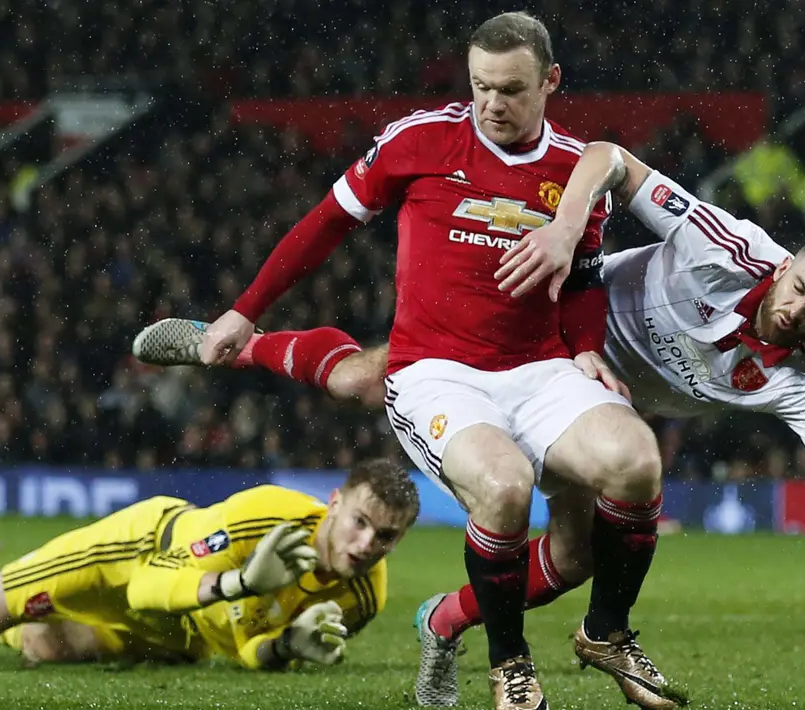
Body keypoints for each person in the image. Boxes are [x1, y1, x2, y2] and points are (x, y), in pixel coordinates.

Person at [135, 143, 805, 704]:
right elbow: (607, 156)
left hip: (590, 401)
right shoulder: (726, 243)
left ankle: (446, 621)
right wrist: (569, 224)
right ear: (785, 263)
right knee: (362, 378)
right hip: (545, 317)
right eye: (796, 288)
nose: (796, 311)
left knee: (572, 558)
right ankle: (227, 345)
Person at [135, 11, 679, 710]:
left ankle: (596, 632)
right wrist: (245, 308)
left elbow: (579, 280)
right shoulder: (420, 139)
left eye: (510, 89)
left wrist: (586, 352)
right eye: (480, 85)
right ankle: (509, 664)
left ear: (550, 82)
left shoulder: (571, 172)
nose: (491, 103)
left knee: (623, 482)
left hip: (538, 368)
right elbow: (324, 222)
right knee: (496, 481)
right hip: (437, 370)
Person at [0, 458, 419, 671]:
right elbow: (147, 586)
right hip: (134, 551)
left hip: (183, 636)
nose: (367, 544)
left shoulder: (363, 599)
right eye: (360, 522)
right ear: (334, 502)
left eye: (385, 536)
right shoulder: (263, 517)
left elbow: (245, 645)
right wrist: (241, 581)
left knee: (43, 646)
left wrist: (283, 648)